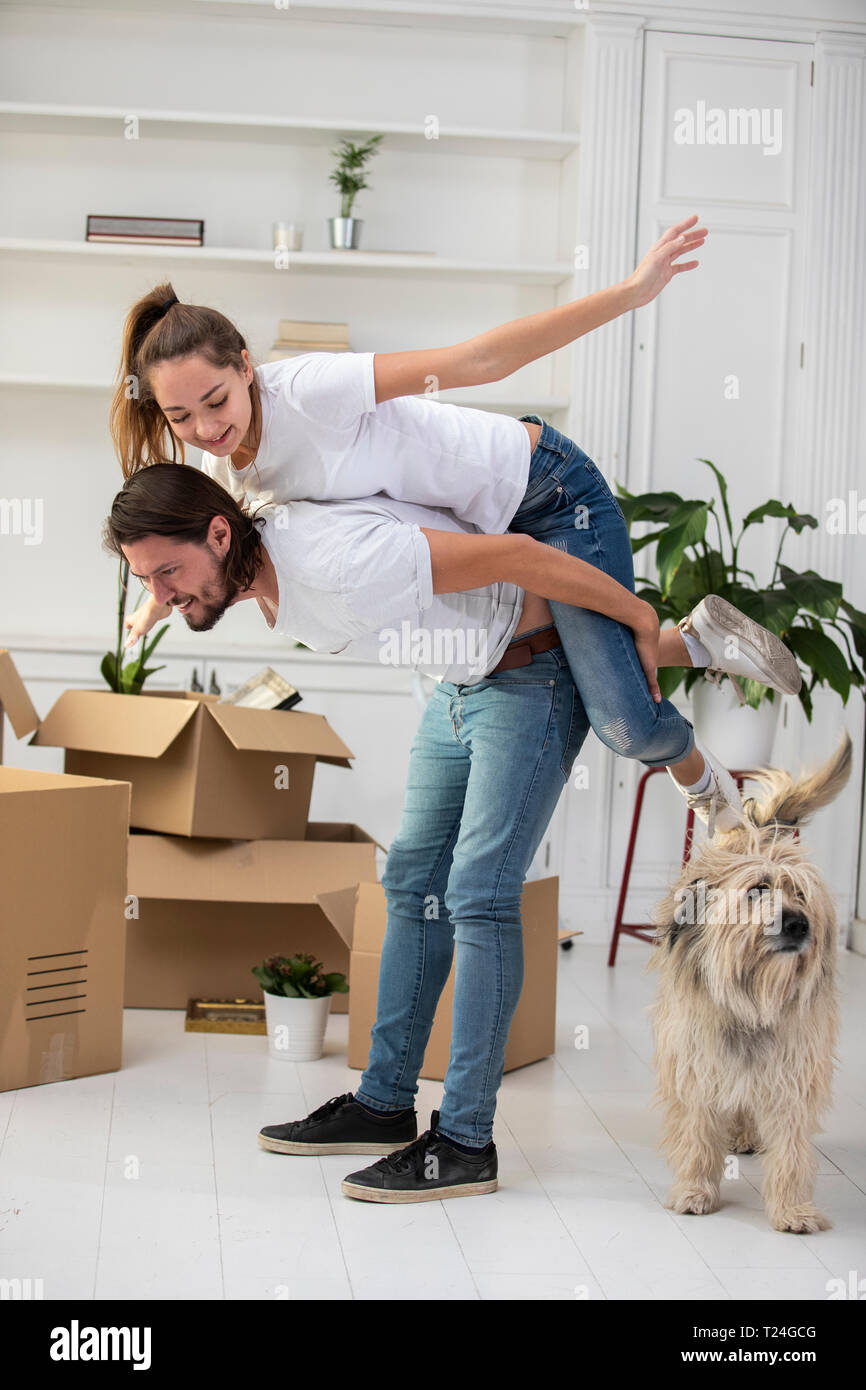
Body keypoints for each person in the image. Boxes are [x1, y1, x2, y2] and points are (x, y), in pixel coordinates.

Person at [103, 465, 795, 1202]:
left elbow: (521, 560)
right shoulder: (251, 544)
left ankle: (465, 1141)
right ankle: (383, 1102)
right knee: (410, 883)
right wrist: (155, 602)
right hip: (458, 686)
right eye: (148, 581)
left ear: (217, 534)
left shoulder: (331, 556)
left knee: (481, 895)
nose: (163, 594)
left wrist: (636, 620)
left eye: (167, 574)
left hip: (530, 679)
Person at [109, 213, 802, 834]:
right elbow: (210, 536)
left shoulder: (311, 393)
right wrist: (155, 598)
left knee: (622, 722)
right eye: (179, 419)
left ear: (247, 367)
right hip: (492, 543)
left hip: (545, 492)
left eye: (216, 400)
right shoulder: (237, 472)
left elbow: (478, 360)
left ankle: (715, 796)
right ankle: (701, 639)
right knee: (592, 670)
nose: (205, 429)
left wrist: (630, 292)